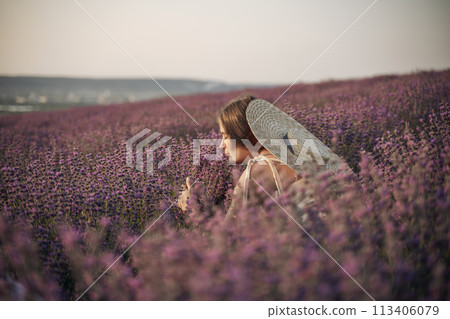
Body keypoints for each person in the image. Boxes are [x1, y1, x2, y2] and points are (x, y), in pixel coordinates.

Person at [177, 95, 351, 221]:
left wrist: (193, 208)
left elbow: (229, 243)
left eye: (225, 136)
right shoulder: (304, 161)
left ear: (248, 134)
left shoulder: (255, 172)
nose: (221, 145)